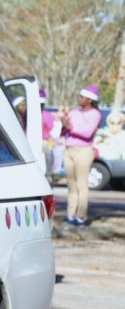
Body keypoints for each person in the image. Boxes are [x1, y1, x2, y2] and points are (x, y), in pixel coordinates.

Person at [59, 84, 102, 226]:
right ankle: (71, 215)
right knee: (71, 186)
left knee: (81, 185)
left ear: (89, 100)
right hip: (69, 149)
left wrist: (70, 127)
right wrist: (63, 125)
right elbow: (64, 132)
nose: (79, 98)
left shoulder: (95, 114)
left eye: (81, 97)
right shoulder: (73, 112)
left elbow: (87, 133)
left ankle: (81, 216)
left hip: (83, 151)